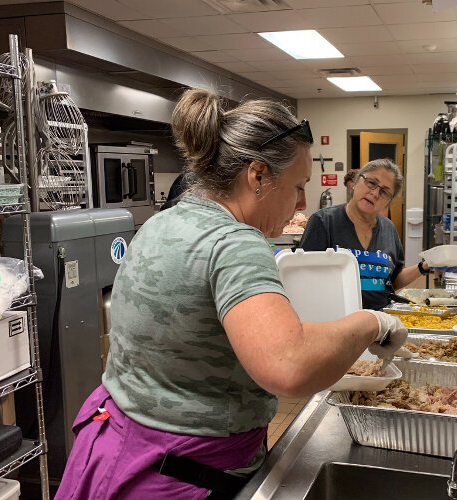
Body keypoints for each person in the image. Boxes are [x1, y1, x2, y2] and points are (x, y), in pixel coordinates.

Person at [55, 89, 407, 500]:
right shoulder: (235, 243)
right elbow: (288, 367)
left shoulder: (162, 222)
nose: (302, 202)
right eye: (297, 186)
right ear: (257, 175)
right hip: (182, 471)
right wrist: (372, 322)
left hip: (118, 445)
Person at [299, 158, 429, 311]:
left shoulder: (388, 229)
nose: (374, 193)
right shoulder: (323, 222)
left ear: (389, 201)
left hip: (380, 321)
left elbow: (392, 281)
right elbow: (304, 281)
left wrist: (425, 266)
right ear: (355, 182)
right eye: (371, 183)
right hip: (335, 321)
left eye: (384, 192)